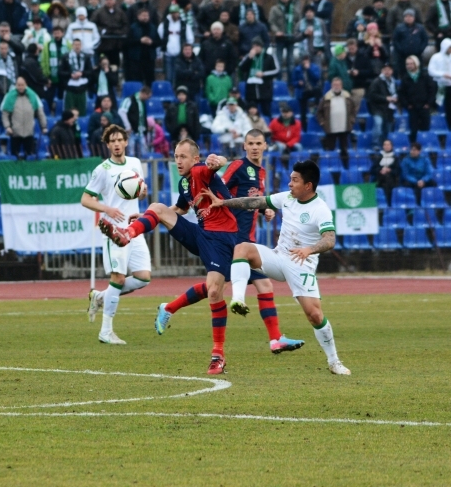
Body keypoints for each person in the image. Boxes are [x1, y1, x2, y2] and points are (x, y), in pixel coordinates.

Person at [155, 131, 305, 356]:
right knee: (249, 285)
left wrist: (264, 208)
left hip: (242, 239)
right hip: (230, 237)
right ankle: (272, 339)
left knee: (217, 287)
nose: (255, 148)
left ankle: (169, 308)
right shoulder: (238, 166)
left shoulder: (261, 172)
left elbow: (249, 197)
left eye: (258, 144)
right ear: (244, 145)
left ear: (265, 146)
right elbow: (217, 186)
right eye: (251, 144)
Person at [202, 159, 350, 376]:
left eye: (295, 180)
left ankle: (334, 361)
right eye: (290, 179)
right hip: (279, 257)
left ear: (308, 186)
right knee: (242, 248)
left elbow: (330, 239)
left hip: (302, 264)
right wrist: (223, 203)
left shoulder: (321, 209)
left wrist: (310, 249)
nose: (289, 184)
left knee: (315, 315)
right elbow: (255, 202)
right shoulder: (287, 198)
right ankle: (239, 299)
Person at [100, 140, 236, 373]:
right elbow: (181, 209)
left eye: (183, 156)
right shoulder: (185, 182)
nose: (178, 161)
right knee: (158, 206)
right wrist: (148, 214)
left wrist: (218, 160)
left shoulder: (200, 170)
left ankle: (170, 308)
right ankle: (126, 234)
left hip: (225, 240)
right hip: (202, 235)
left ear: (195, 159)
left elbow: (217, 165)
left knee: (215, 289)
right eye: (175, 156)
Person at [82, 125, 151, 344]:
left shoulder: (135, 163)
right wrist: (107, 209)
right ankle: (105, 331)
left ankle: (100, 296)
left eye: (120, 139)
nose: (117, 144)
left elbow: (138, 189)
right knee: (118, 279)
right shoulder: (102, 169)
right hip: (114, 231)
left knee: (143, 277)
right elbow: (85, 199)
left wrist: (142, 190)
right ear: (108, 144)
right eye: (113, 141)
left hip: (135, 228)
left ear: (126, 141)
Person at [1, 77, 47, 158]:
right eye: (18, 85)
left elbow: (40, 113)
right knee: (14, 157)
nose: (20, 87)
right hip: (15, 133)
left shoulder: (33, 96)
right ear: (16, 85)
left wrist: (43, 126)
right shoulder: (9, 97)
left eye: (22, 85)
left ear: (26, 85)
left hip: (29, 133)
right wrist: (7, 126)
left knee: (29, 156)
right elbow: (5, 114)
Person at [317, 77, 357, 162]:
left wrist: (352, 120)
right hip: (331, 129)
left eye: (338, 84)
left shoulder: (347, 96)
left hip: (344, 128)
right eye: (334, 85)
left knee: (344, 150)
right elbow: (319, 112)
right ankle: (332, 167)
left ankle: (345, 167)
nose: (336, 86)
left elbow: (354, 110)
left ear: (341, 86)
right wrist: (322, 123)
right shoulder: (326, 97)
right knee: (331, 150)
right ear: (331, 85)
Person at [238, 37, 279, 117]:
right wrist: (249, 58)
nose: (255, 48)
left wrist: (264, 74)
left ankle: (268, 129)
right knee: (251, 114)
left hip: (265, 90)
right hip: (251, 90)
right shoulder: (249, 56)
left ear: (261, 46)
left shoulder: (269, 57)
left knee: (266, 112)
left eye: (257, 46)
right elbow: (241, 68)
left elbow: (276, 70)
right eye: (253, 46)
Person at [398, 55, 436, 143]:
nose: (409, 66)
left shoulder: (425, 76)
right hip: (412, 108)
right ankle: (414, 147)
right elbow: (401, 94)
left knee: (425, 128)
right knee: (413, 129)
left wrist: (429, 103)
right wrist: (407, 105)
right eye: (407, 64)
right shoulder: (405, 78)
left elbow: (432, 90)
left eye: (411, 63)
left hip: (424, 107)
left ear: (416, 64)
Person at [269, 0, 300, 80]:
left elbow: (298, 22)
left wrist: (295, 32)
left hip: (291, 38)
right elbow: (271, 22)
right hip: (280, 38)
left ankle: (291, 81)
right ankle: (279, 81)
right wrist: (276, 31)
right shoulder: (275, 9)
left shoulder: (294, 9)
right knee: (278, 60)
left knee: (291, 61)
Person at [124, 9, 160, 86]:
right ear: (138, 16)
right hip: (136, 59)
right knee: (137, 79)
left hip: (149, 58)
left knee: (150, 79)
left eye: (147, 15)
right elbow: (127, 42)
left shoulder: (153, 27)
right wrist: (140, 41)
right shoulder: (133, 27)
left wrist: (152, 42)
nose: (145, 17)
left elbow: (159, 42)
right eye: (143, 15)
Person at [91, 0, 128, 67]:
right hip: (102, 45)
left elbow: (126, 25)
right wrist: (102, 31)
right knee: (102, 65)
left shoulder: (120, 12)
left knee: (115, 66)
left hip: (116, 45)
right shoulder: (98, 12)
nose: (109, 1)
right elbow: (93, 25)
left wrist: (120, 32)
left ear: (114, 1)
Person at [366, 62, 397, 146]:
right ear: (382, 71)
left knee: (388, 130)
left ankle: (386, 146)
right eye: (385, 70)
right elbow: (372, 95)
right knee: (378, 125)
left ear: (392, 71)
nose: (387, 71)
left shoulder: (393, 82)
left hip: (389, 109)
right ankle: (375, 144)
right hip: (377, 109)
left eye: (389, 70)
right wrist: (386, 98)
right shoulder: (376, 82)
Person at [59, 38, 93, 114]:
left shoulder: (86, 57)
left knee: (82, 111)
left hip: (82, 87)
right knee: (69, 111)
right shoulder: (65, 57)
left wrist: (82, 73)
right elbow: (61, 72)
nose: (77, 46)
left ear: (81, 46)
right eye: (75, 45)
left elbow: (90, 71)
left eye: (79, 45)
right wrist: (70, 74)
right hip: (70, 87)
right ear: (72, 46)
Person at [392, 9, 428, 78]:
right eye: (406, 16)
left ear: (414, 17)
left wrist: (420, 49)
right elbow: (395, 40)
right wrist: (401, 50)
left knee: (419, 73)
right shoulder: (399, 28)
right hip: (403, 56)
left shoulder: (420, 28)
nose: (408, 18)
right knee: (403, 74)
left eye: (410, 16)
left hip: (417, 55)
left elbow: (425, 39)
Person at [118, 85, 152, 156]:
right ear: (144, 93)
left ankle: (143, 166)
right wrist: (127, 126)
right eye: (148, 96)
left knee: (143, 152)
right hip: (131, 131)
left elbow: (142, 116)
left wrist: (145, 127)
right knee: (131, 152)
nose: (148, 99)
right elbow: (121, 111)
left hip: (140, 131)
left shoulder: (143, 102)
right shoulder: (129, 99)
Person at [291, 54, 322, 127]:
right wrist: (298, 83)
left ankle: (316, 106)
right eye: (304, 60)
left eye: (307, 60)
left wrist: (309, 70)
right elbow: (292, 82)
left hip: (312, 89)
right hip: (303, 91)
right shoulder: (297, 69)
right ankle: (303, 128)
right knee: (303, 111)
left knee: (318, 90)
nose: (306, 61)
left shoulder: (314, 67)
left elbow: (317, 78)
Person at [428, 38, 451, 131]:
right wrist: (442, 74)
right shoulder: (436, 57)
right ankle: (433, 108)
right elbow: (431, 71)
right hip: (438, 84)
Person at [159, 5, 186, 83]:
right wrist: (159, 53)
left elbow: (189, 39)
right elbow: (160, 39)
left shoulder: (183, 25)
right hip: (168, 54)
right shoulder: (163, 25)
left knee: (179, 76)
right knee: (168, 76)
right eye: (172, 13)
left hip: (180, 54)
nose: (174, 15)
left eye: (176, 13)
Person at [41, 26, 68, 104]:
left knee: (62, 95)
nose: (57, 35)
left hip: (64, 75)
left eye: (58, 33)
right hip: (52, 75)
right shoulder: (48, 45)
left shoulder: (68, 44)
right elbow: (44, 60)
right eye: (55, 33)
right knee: (49, 96)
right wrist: (46, 75)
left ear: (62, 34)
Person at [344, 38, 373, 108]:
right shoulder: (344, 58)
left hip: (359, 86)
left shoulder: (364, 57)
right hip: (346, 87)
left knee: (354, 106)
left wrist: (359, 72)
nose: (351, 50)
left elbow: (370, 71)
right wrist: (346, 72)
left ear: (356, 47)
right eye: (350, 48)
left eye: (353, 48)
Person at [370, 139, 399, 203]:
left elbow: (398, 171)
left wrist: (389, 170)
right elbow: (372, 170)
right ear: (383, 146)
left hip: (392, 180)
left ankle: (387, 203)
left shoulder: (395, 158)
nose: (387, 146)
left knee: (387, 179)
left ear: (391, 146)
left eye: (388, 144)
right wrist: (380, 170)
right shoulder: (379, 157)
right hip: (379, 177)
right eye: (385, 145)